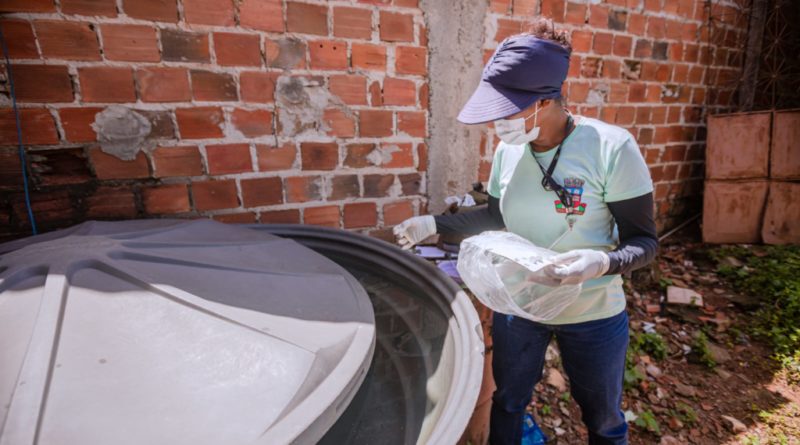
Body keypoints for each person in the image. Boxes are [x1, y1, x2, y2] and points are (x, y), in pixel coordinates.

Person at [393, 20, 658, 445]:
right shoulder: (508, 150)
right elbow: (496, 219)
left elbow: (644, 243)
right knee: (509, 403)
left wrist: (601, 262)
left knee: (604, 420)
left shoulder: (612, 148)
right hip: (519, 306)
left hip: (591, 312)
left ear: (545, 100)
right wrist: (432, 225)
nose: (499, 120)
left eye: (508, 108)